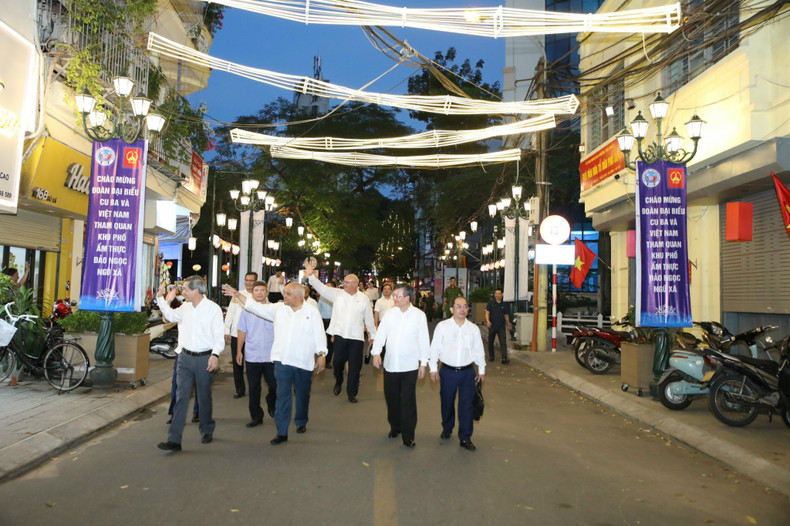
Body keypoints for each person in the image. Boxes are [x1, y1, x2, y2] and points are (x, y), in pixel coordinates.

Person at [224, 282, 327, 445]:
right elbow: (254, 307)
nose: (283, 296)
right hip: (282, 360)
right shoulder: (278, 309)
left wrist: (322, 354)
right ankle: (282, 431)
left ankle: (301, 421)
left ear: (298, 296)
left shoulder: (312, 312)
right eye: (284, 293)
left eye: (287, 294)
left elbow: (319, 335)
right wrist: (237, 295)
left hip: (303, 361)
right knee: (283, 396)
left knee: (302, 395)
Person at [156, 276, 225, 452]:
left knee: (203, 397)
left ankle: (207, 428)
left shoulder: (213, 309)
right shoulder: (185, 308)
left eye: (185, 289)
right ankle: (174, 440)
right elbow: (170, 316)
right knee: (181, 398)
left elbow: (219, 336)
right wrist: (162, 299)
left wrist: (215, 355)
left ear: (196, 291)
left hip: (204, 358)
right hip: (184, 358)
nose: (183, 292)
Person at [305, 261, 375, 403]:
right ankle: (339, 380)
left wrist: (372, 335)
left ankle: (352, 393)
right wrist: (311, 276)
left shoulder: (364, 299)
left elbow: (369, 319)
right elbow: (321, 289)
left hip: (356, 338)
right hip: (340, 336)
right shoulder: (337, 294)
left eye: (347, 282)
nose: (344, 284)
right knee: (337, 363)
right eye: (344, 282)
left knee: (355, 366)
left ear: (355, 284)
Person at [370, 283, 429, 447]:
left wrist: (423, 363)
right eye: (394, 296)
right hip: (390, 365)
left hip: (410, 366)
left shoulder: (419, 316)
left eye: (398, 296)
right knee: (392, 399)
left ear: (408, 297)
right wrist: (376, 353)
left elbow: (424, 341)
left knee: (408, 401)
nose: (395, 299)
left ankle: (408, 435)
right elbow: (381, 335)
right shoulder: (389, 315)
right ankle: (395, 427)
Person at [429, 296, 486, 452]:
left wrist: (481, 370)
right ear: (452, 309)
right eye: (458, 306)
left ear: (468, 310)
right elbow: (434, 348)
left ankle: (465, 437)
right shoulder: (443, 327)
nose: (462, 309)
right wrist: (433, 367)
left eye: (465, 307)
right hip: (448, 371)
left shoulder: (473, 329)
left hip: (468, 372)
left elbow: (478, 351)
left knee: (466, 406)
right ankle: (447, 427)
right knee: (447, 402)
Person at [237, 281, 276, 427]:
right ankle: (256, 416)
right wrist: (239, 350)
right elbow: (242, 331)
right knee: (254, 387)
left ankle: (271, 401)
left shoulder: (274, 309)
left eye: (262, 290)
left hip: (271, 355)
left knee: (274, 385)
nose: (259, 293)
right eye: (256, 290)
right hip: (252, 354)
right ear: (252, 293)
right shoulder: (247, 310)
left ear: (267, 292)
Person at [224, 272, 257, 398]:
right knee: (237, 363)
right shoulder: (237, 295)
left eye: (251, 280)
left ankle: (253, 387)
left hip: (252, 335)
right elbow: (231, 312)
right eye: (246, 280)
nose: (248, 283)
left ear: (255, 281)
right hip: (236, 334)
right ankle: (240, 389)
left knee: (252, 363)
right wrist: (227, 330)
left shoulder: (259, 295)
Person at [485, 288, 511, 364]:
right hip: (492, 325)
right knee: (490, 342)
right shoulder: (491, 303)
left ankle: (504, 358)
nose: (497, 295)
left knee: (503, 343)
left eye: (499, 293)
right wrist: (487, 321)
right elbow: (487, 313)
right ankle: (491, 356)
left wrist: (508, 324)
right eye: (496, 293)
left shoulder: (504, 305)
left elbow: (506, 315)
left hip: (501, 327)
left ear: (502, 295)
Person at [317, 280, 335, 369]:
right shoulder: (322, 297)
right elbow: (318, 310)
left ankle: (329, 361)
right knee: (323, 341)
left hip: (333, 322)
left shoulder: (336, 298)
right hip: (323, 321)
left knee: (331, 343)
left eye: (329, 286)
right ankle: (322, 357)